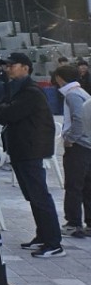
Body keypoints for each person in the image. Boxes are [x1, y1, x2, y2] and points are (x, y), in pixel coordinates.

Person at [0, 52, 63, 257]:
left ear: (25, 67)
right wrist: (3, 108)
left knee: (39, 196)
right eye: (6, 66)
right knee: (32, 196)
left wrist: (3, 108)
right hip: (20, 148)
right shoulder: (15, 89)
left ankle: (53, 242)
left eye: (12, 65)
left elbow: (7, 113)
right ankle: (42, 235)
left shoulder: (30, 92)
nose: (8, 69)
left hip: (30, 149)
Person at [55, 64, 91, 234]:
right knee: (86, 185)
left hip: (79, 146)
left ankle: (73, 223)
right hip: (87, 145)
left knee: (74, 185)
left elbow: (78, 119)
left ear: (59, 78)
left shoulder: (72, 95)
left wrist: (70, 139)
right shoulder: (82, 92)